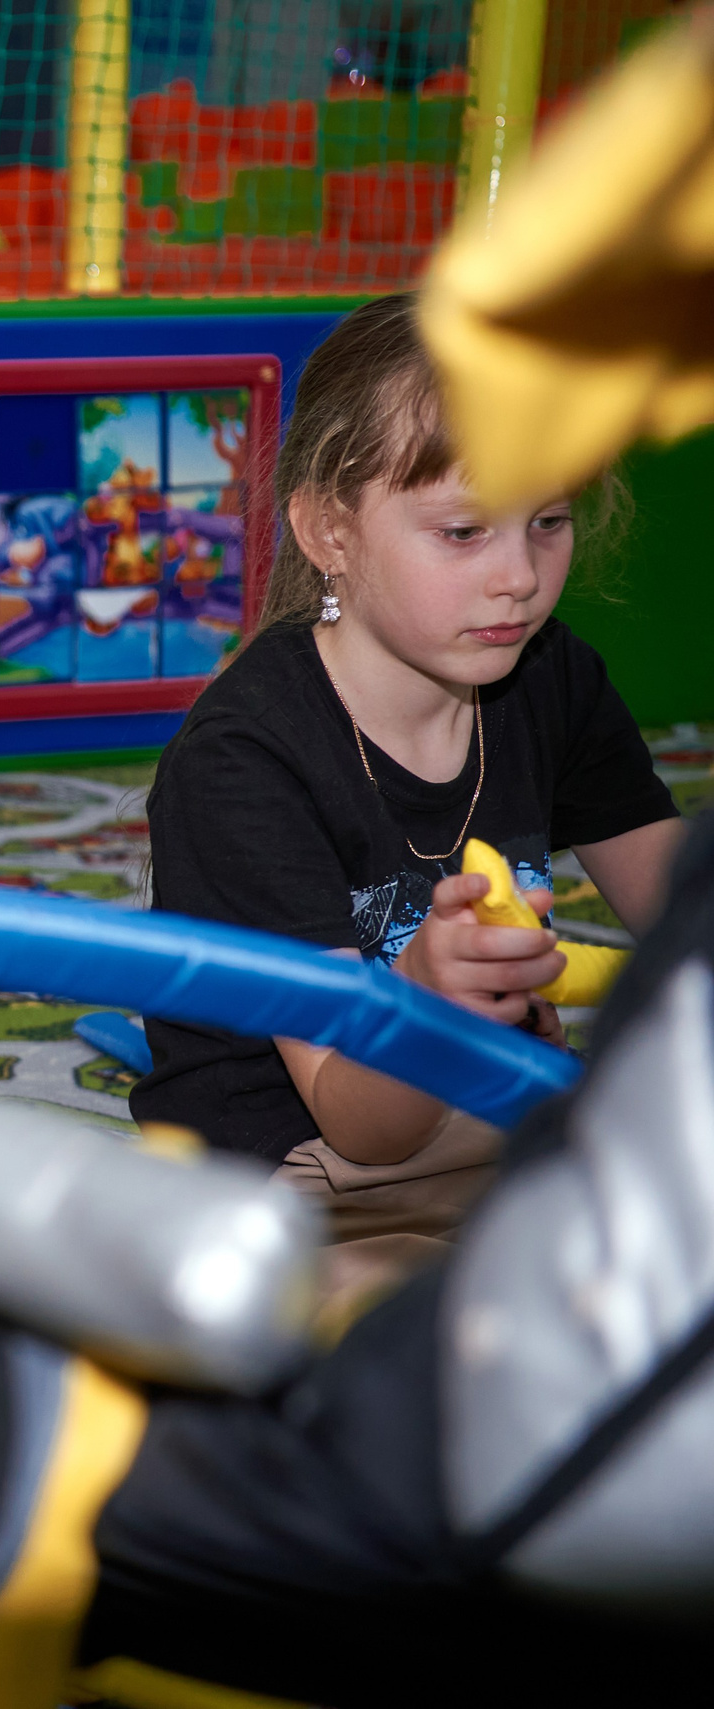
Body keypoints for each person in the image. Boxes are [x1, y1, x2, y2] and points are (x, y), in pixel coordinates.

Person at [133, 293, 681, 1287]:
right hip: (309, 1179)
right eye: (463, 531)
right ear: (327, 530)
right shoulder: (243, 761)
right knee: (429, 1332)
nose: (519, 577)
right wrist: (428, 991)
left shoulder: (550, 678)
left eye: (548, 521)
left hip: (512, 1130)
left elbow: (679, 904)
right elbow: (364, 1126)